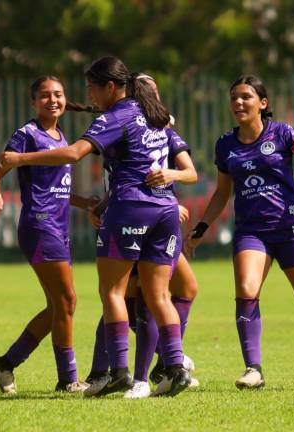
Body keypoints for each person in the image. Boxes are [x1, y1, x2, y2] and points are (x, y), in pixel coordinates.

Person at [0, 57, 193, 398]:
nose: (89, 94)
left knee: (113, 293)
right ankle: (175, 368)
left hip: (131, 210)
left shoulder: (116, 115)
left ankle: (119, 371)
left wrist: (20, 159)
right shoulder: (154, 113)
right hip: (166, 209)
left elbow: (74, 153)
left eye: (91, 87)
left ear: (110, 87)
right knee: (160, 295)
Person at [184, 75, 294, 389]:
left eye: (246, 97)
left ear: (262, 103)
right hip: (252, 232)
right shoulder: (225, 144)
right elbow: (221, 193)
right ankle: (253, 369)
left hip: (292, 228)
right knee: (246, 289)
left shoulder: (283, 133)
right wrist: (202, 226)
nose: (239, 103)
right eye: (234, 98)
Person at [82, 73, 200, 399]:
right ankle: (156, 369)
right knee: (139, 298)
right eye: (149, 89)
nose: (154, 95)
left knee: (124, 295)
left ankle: (140, 373)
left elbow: (189, 173)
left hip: (137, 214)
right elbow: (127, 175)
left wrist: (169, 178)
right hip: (149, 212)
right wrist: (104, 204)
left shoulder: (153, 126)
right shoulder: (137, 124)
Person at [0, 76, 97, 394]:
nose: (53, 100)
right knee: (68, 301)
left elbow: (55, 188)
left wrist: (84, 202)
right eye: (45, 96)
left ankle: (5, 363)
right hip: (39, 224)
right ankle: (68, 379)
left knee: (58, 306)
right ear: (34, 102)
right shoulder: (26, 134)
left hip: (58, 227)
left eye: (58, 94)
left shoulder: (61, 136)